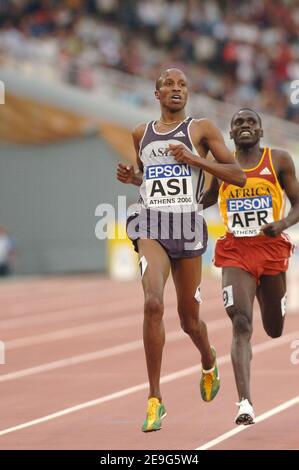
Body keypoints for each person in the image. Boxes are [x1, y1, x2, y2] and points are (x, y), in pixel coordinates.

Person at [117, 68, 246, 432]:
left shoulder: (201, 129)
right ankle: (155, 399)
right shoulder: (141, 133)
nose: (176, 89)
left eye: (182, 85)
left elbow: (236, 174)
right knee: (153, 303)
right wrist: (134, 178)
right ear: (156, 94)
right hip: (151, 224)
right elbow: (153, 178)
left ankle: (208, 359)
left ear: (187, 93)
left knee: (189, 320)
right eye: (169, 85)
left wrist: (196, 160)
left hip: (186, 227)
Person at [203, 108, 299, 425]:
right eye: (238, 123)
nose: (245, 126)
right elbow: (207, 199)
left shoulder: (280, 159)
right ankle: (245, 403)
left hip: (270, 249)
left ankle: (276, 301)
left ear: (260, 131)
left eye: (251, 122)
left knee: (274, 329)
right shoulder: (223, 166)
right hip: (236, 251)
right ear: (230, 134)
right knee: (241, 323)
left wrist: (284, 221)